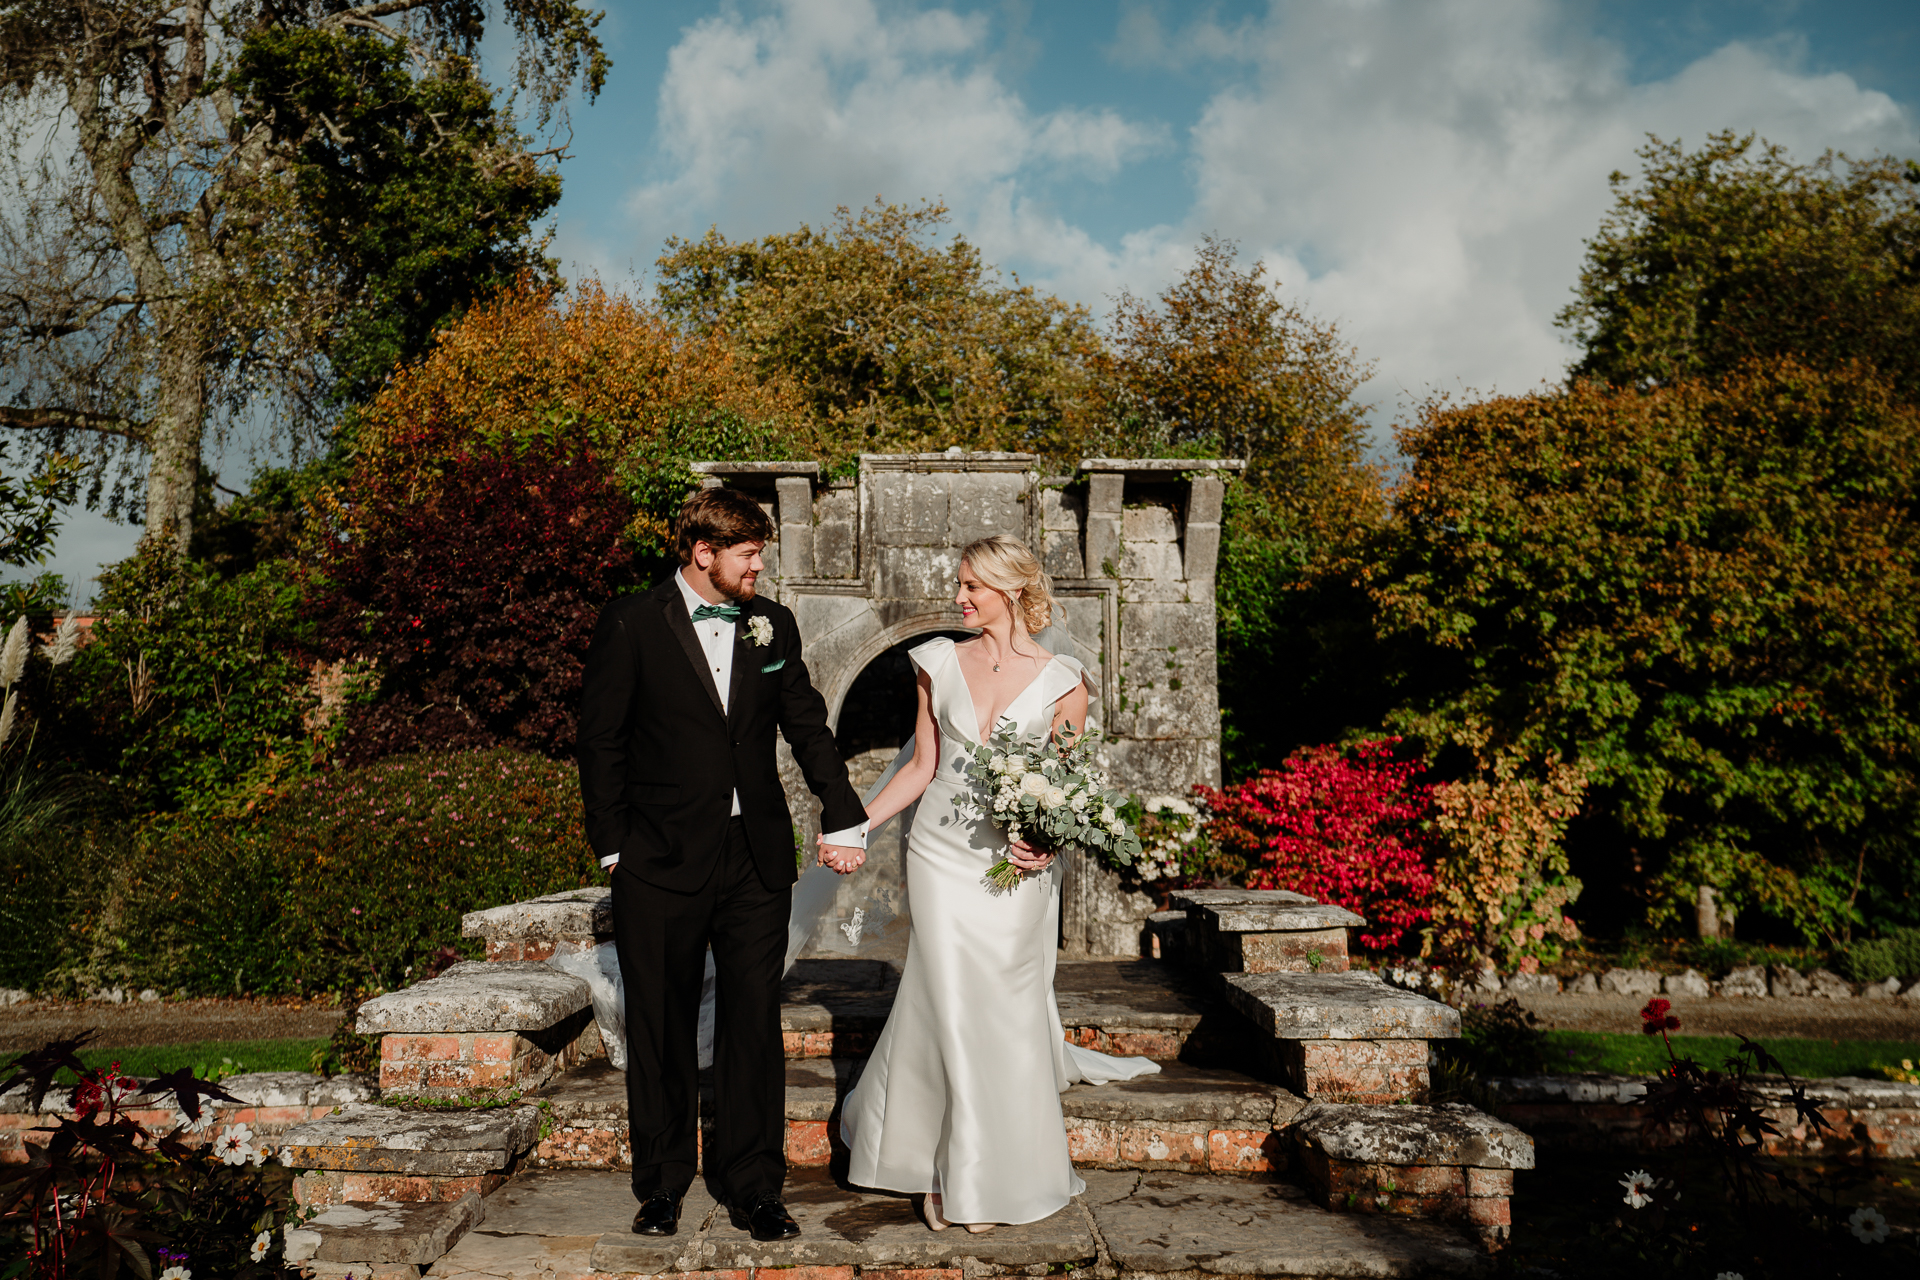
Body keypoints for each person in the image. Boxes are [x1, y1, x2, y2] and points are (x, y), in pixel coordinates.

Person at [834, 534, 1154, 1233]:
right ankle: (941, 1167)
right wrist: (852, 827)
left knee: (1003, 1007)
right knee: (945, 994)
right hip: (940, 851)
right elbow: (920, 768)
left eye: (970, 586)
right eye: (959, 585)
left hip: (1017, 865)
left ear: (1010, 588)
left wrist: (1044, 837)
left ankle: (993, 1168)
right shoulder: (935, 662)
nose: (958, 598)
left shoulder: (1065, 682)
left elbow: (1072, 788)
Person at [576, 487, 870, 1242]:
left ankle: (755, 1187)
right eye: (748, 552)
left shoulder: (772, 625)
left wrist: (844, 809)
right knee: (662, 1026)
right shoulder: (632, 622)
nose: (758, 565)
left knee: (751, 1023)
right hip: (657, 858)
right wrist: (613, 846)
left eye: (760, 551)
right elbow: (601, 739)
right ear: (703, 553)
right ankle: (663, 1186)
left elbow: (805, 720)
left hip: (754, 857)